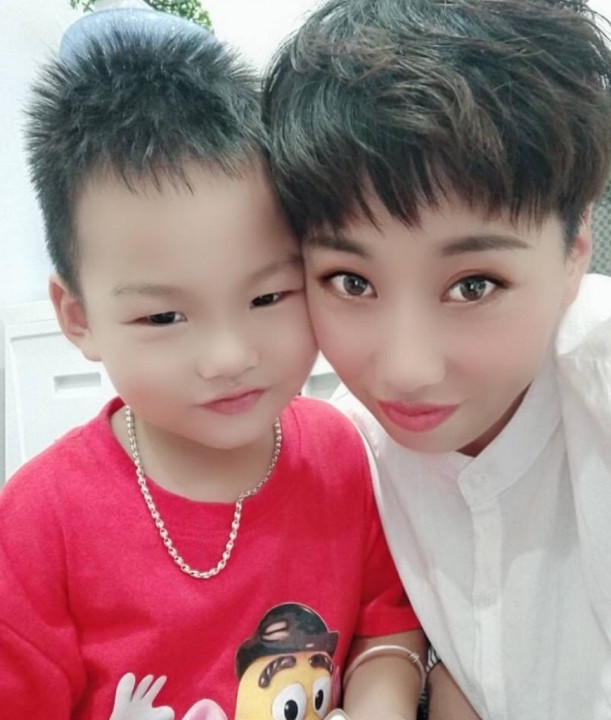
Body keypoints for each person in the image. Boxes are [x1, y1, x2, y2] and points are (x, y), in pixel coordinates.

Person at [262, 1, 611, 718]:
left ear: (574, 247)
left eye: (474, 285)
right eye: (351, 282)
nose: (407, 370)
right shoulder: (342, 452)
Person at [0, 8, 425, 720]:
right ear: (78, 317)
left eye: (267, 296)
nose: (229, 357)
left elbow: (385, 623)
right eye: (164, 317)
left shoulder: (342, 455)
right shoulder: (38, 525)